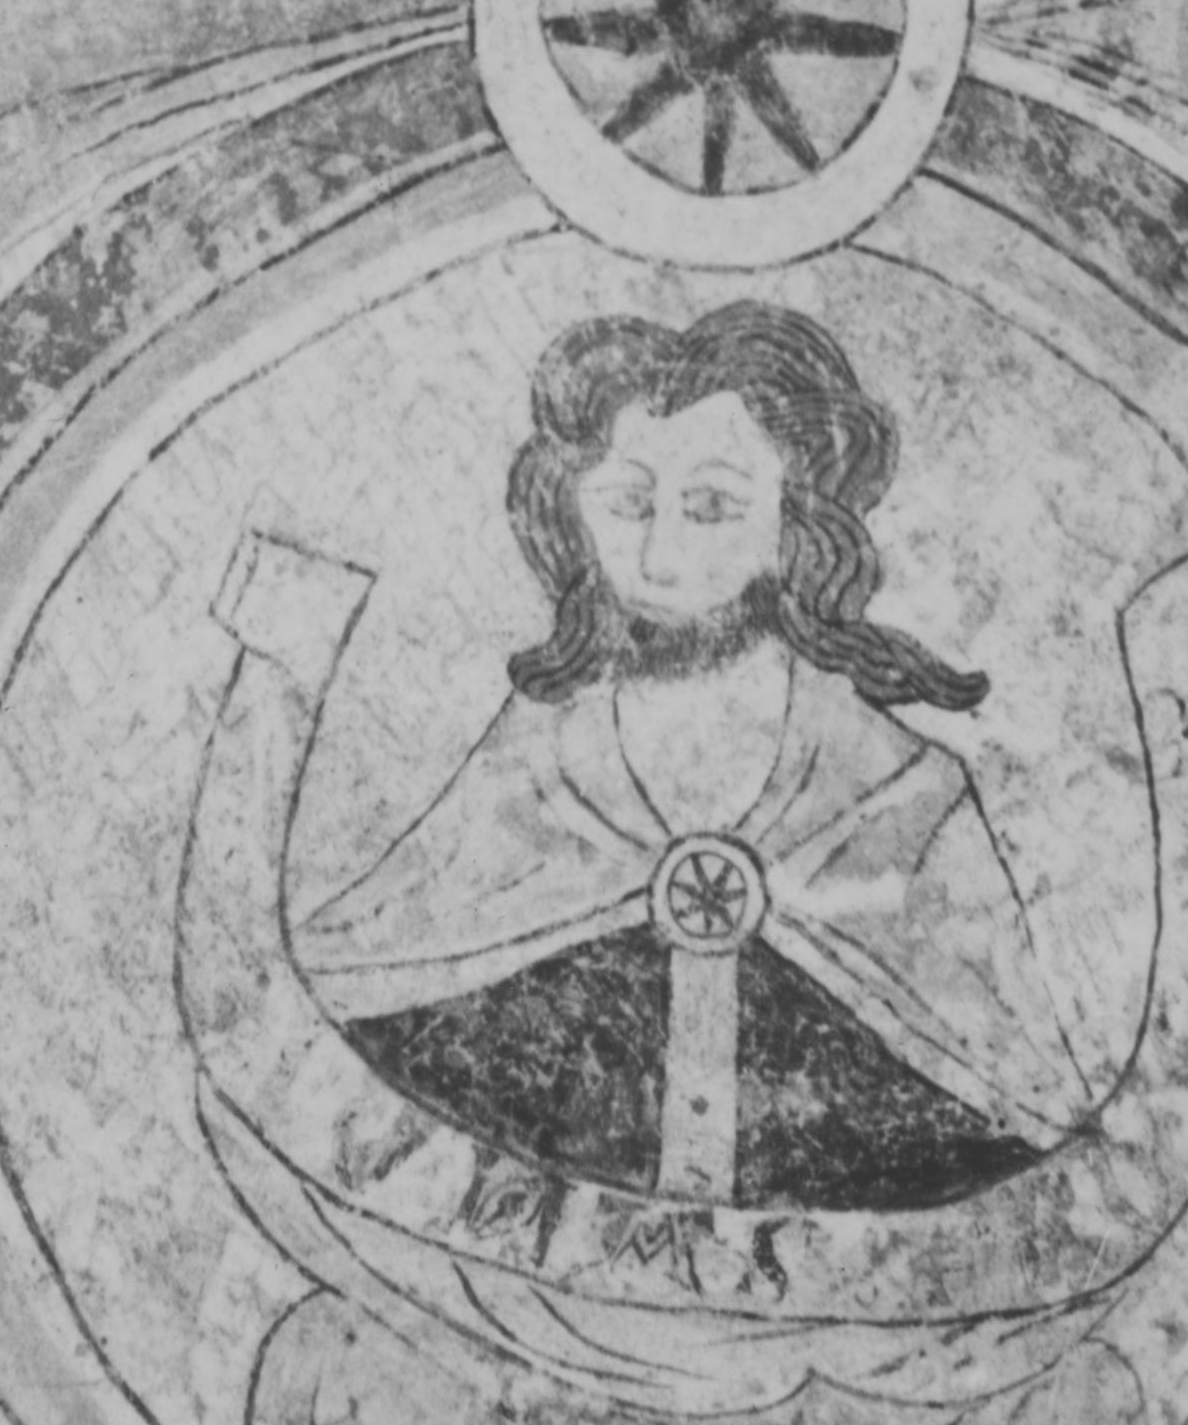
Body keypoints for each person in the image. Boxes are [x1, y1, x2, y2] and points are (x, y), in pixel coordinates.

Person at [299, 304, 1082, 1211]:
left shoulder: (907, 794)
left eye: (713, 506)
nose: (661, 555)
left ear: (794, 523)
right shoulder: (532, 766)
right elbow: (382, 968)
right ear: (571, 510)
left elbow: (1015, 1094)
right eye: (628, 503)